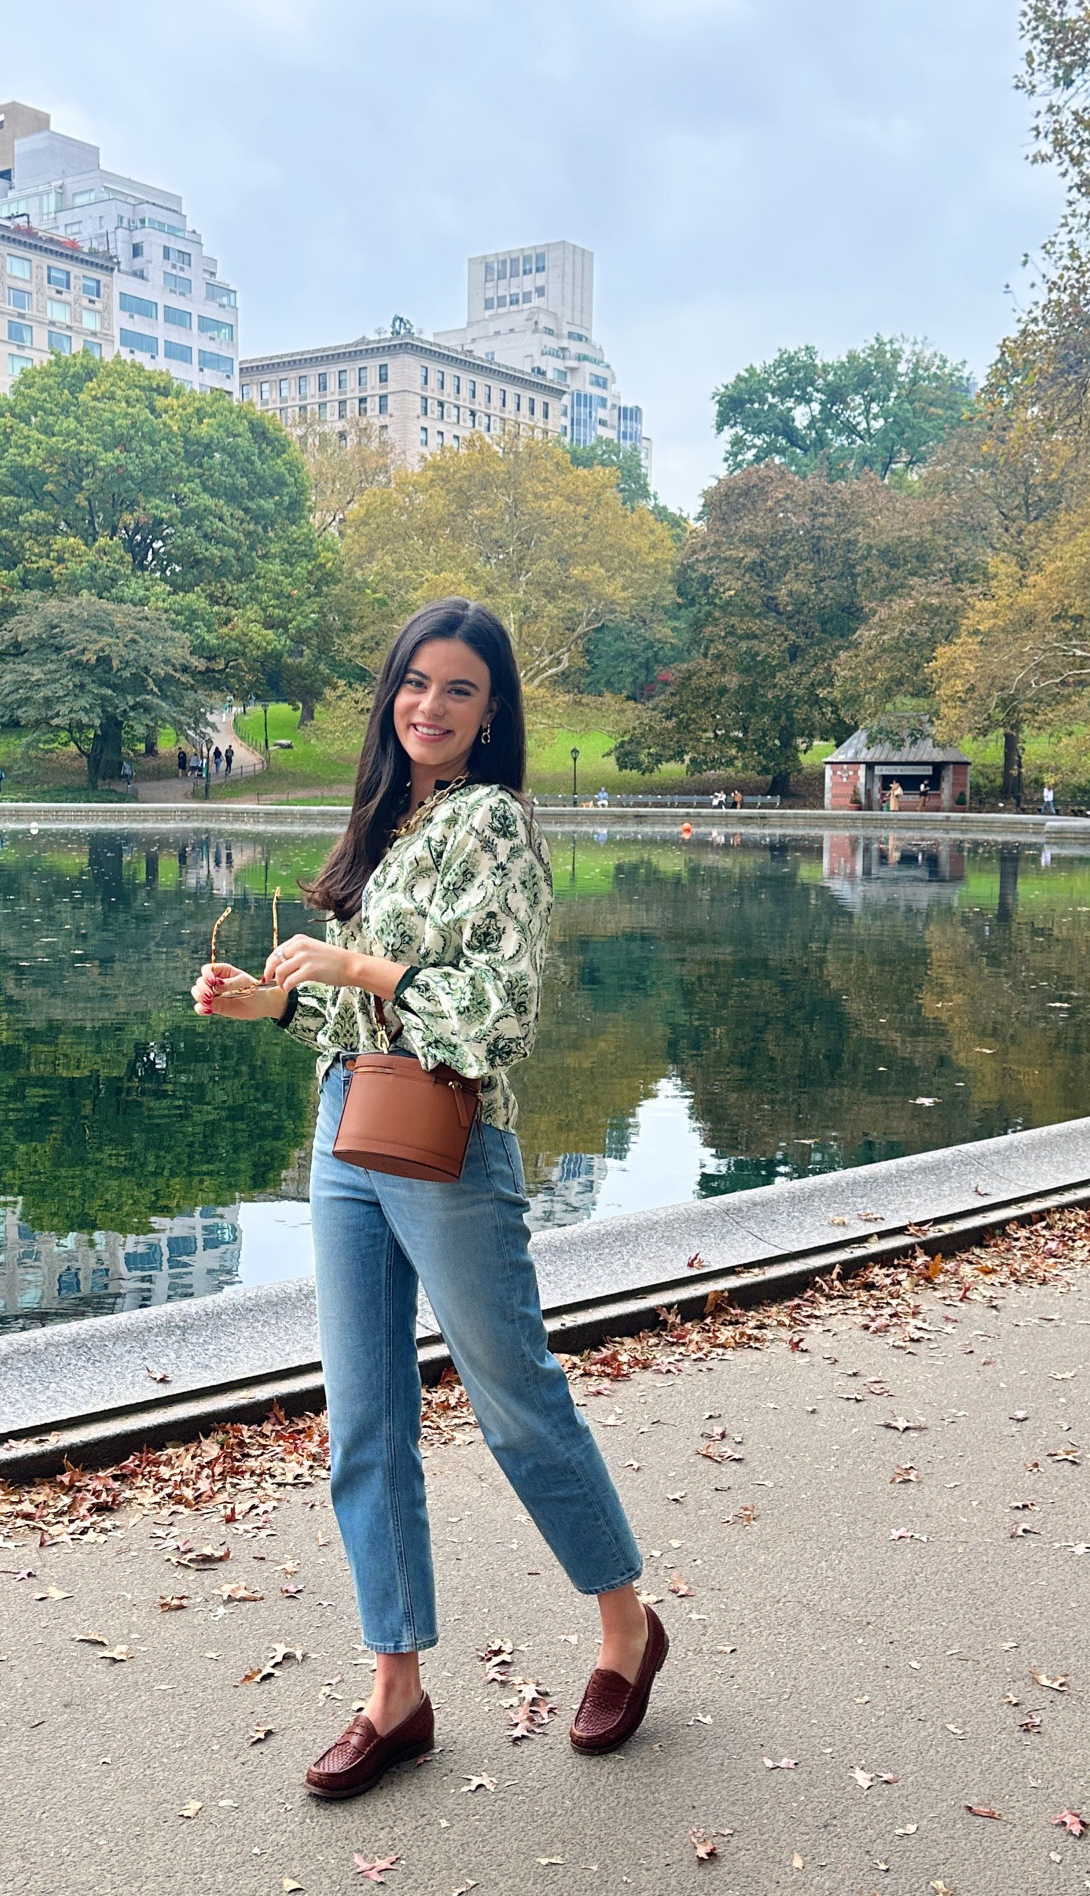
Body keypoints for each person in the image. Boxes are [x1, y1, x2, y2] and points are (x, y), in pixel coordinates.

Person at [192, 599, 657, 1799]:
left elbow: (495, 1017)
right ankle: (395, 1689)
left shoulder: (493, 821)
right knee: (364, 1417)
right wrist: (274, 1002)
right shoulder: (392, 817)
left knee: (512, 1398)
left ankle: (624, 1628)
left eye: (458, 689)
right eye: (414, 682)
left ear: (491, 708)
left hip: (449, 1139)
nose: (430, 706)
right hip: (348, 1127)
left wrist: (355, 962)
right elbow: (362, 1009)